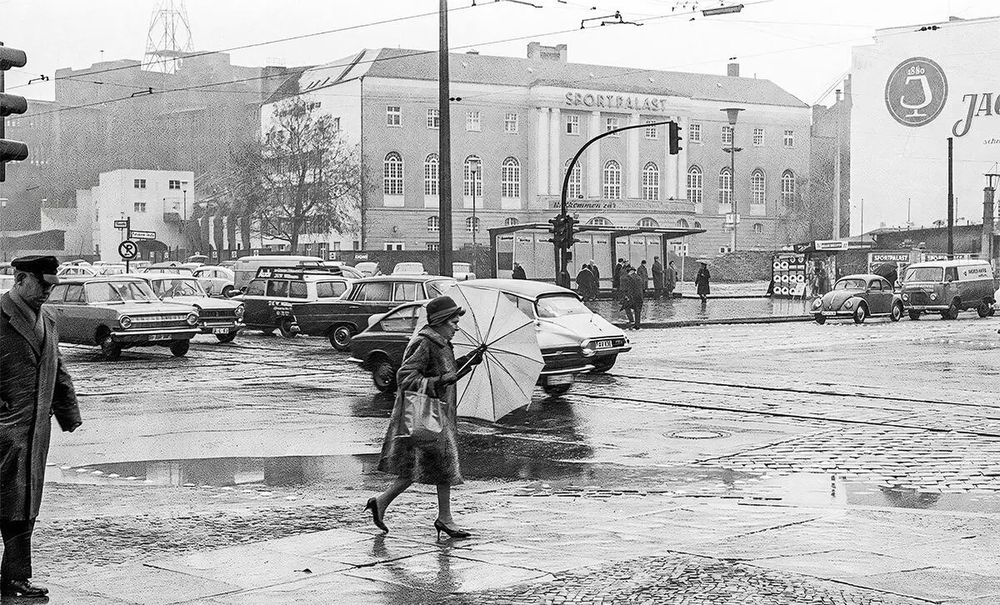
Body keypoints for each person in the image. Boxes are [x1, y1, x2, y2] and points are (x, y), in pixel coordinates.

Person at [368, 295, 484, 539]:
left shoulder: (441, 342)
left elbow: (445, 373)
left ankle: (386, 503)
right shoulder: (425, 342)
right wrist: (441, 380)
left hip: (438, 415)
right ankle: (442, 518)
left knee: (433, 467)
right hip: (425, 416)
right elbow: (406, 377)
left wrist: (467, 361)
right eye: (453, 321)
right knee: (435, 467)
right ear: (440, 321)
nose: (456, 326)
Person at [0, 256, 82, 599]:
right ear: (20, 279)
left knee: (26, 503)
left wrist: (68, 412)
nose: (48, 291)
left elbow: (56, 367)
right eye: (42, 284)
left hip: (35, 432)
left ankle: (16, 578)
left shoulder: (47, 319)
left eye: (52, 285)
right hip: (5, 429)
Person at [621, 265, 644, 330]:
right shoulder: (639, 277)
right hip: (639, 297)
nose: (628, 273)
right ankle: (637, 325)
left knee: (626, 306)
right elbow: (642, 287)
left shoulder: (629, 277)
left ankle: (631, 320)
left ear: (631, 271)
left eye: (628, 271)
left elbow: (629, 288)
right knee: (637, 311)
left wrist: (627, 296)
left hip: (633, 297)